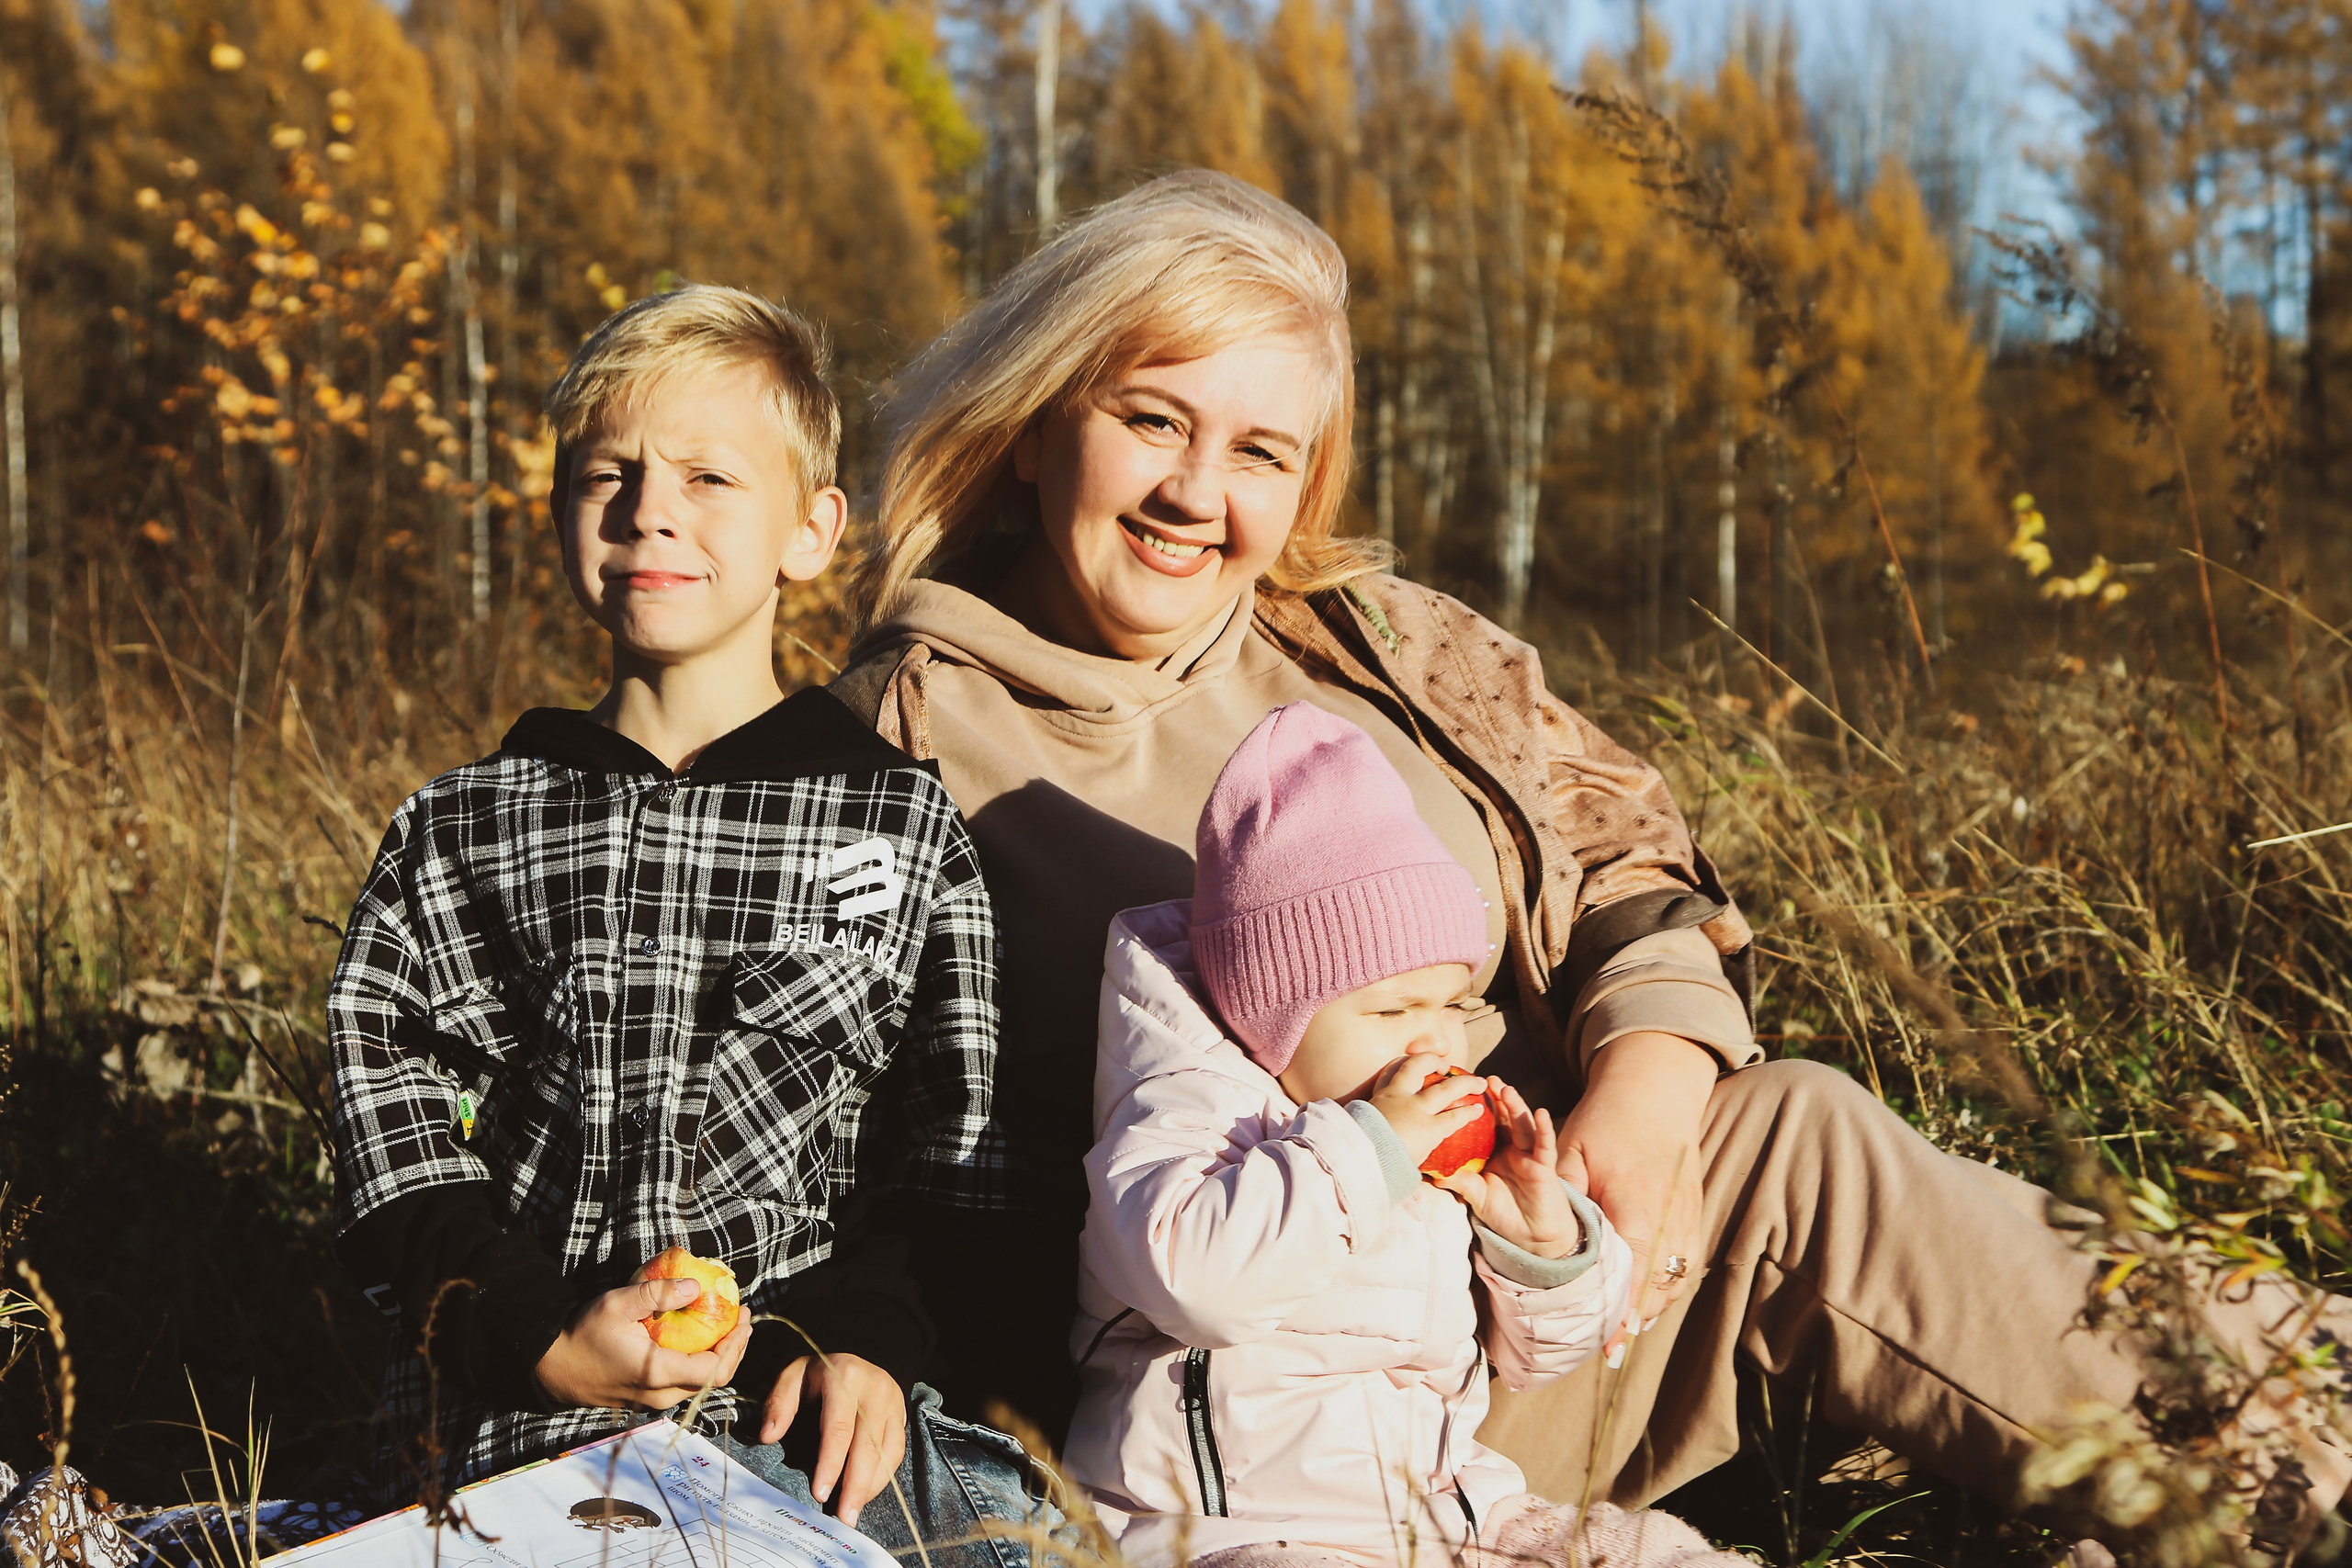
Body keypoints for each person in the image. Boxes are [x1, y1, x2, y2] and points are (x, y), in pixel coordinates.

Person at [830, 170, 2352, 1560]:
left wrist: (1653, 1066)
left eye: (1260, 450)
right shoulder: (896, 745)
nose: (1195, 493)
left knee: (1790, 1130)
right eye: (1152, 419)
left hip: (1542, 1269)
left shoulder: (1382, 647)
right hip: (1279, 1432)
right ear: (1036, 422)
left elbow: (1626, 838)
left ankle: (2295, 1443)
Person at [326, 285, 1043, 1565]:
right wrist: (531, 1325)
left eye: (710, 475)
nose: (650, 507)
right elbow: (388, 1119)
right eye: (610, 472)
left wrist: (873, 1337)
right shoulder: (470, 824)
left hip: (795, 1409)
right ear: (559, 513)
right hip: (518, 1404)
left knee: (1011, 1538)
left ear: (811, 531)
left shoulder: (897, 831)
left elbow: (954, 1152)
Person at [1069, 701, 1747, 1568]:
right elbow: (1199, 1284)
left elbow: (1544, 1361)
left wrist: (1540, 1241)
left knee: (1655, 1552)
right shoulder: (1187, 1111)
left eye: (1449, 1004)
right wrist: (1368, 1151)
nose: (1433, 1039)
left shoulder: (1421, 1133)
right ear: (1267, 1019)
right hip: (1228, 1533)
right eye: (1392, 1009)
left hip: (1446, 1510)